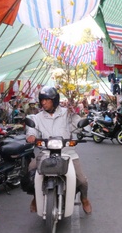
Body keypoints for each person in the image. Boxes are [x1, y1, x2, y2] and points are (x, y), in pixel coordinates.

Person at [26, 86, 92, 214]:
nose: (43, 102)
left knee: (82, 180)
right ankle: (35, 197)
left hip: (67, 152)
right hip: (46, 152)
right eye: (42, 100)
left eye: (47, 100)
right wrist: (31, 136)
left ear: (54, 100)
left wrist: (80, 119)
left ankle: (84, 198)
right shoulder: (38, 117)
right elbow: (32, 129)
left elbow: (79, 126)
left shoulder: (67, 113)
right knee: (31, 171)